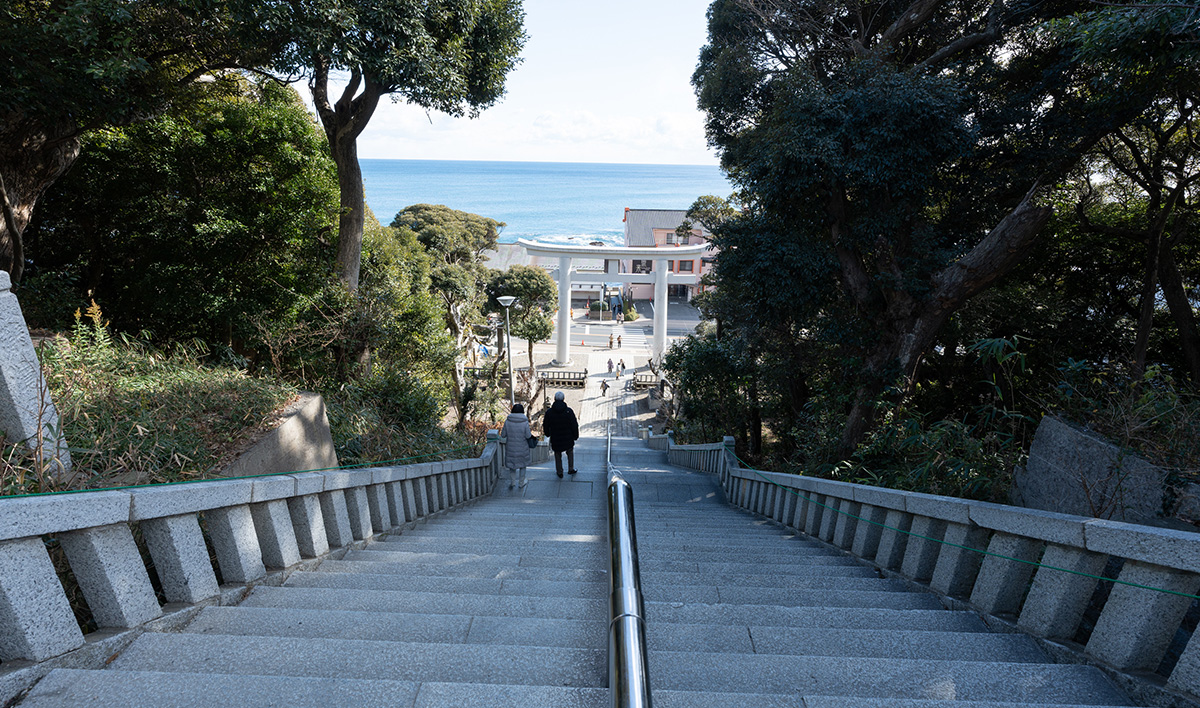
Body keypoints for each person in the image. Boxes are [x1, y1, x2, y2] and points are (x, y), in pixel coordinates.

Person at [543, 391, 579, 478]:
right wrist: (575, 436)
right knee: (570, 452)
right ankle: (571, 469)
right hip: (568, 437)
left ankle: (559, 471)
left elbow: (545, 425)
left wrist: (547, 434)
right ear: (563, 399)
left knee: (557, 453)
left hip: (556, 437)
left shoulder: (549, 412)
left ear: (554, 399)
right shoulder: (569, 411)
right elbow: (574, 425)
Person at [501, 403, 532, 489]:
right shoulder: (525, 422)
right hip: (522, 448)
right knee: (522, 465)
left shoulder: (507, 421)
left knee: (512, 465)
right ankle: (521, 482)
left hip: (511, 447)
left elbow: (503, 435)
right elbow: (528, 436)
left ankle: (513, 482)